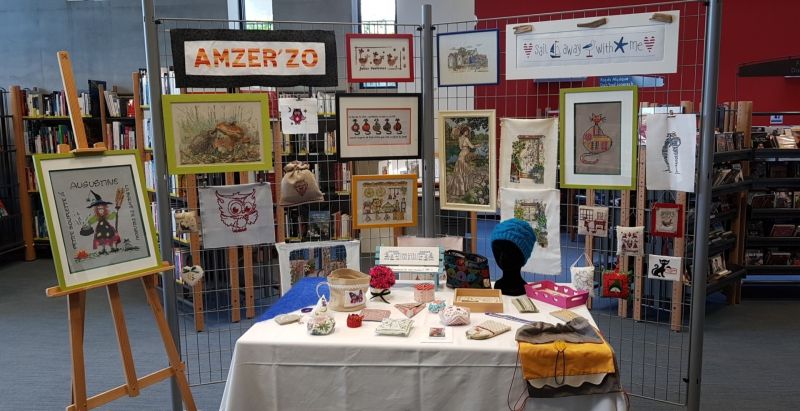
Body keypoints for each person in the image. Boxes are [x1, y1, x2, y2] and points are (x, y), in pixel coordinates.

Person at [447, 124, 475, 198]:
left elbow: (460, 147)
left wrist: (464, 147)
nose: (467, 133)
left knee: (460, 169)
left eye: (467, 131)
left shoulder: (459, 138)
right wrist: (477, 145)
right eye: (466, 131)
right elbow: (472, 146)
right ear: (463, 131)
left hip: (461, 153)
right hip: (465, 154)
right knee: (465, 169)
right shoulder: (466, 139)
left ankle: (459, 188)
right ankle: (464, 188)